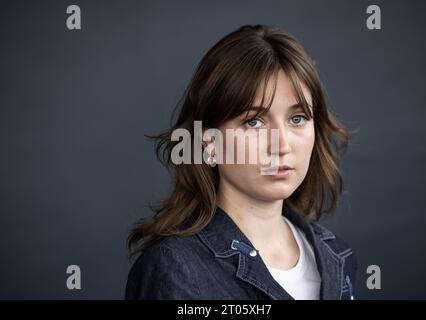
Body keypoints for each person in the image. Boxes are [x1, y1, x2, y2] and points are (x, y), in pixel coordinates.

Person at [125, 24, 357, 300]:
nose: (282, 145)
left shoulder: (337, 257)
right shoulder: (175, 269)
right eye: (254, 122)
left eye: (297, 119)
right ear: (208, 141)